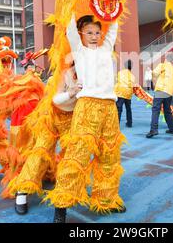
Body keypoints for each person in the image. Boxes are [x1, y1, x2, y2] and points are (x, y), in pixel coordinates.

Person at [44, 15, 126, 223]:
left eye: (97, 32)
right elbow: (70, 25)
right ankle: (61, 205)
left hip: (109, 108)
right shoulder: (79, 52)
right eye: (89, 32)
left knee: (110, 155)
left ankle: (106, 199)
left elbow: (114, 26)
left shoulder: (107, 49)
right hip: (87, 106)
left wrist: (116, 2)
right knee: (77, 154)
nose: (94, 36)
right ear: (81, 34)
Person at [9, 62, 80, 215]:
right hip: (50, 118)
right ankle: (22, 190)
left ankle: (65, 194)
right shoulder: (61, 75)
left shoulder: (93, 73)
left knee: (72, 156)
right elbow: (55, 99)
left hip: (73, 120)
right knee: (40, 152)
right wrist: (71, 93)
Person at [146, 53, 173, 138]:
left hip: (161, 90)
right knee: (167, 111)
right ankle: (172, 129)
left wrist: (155, 83)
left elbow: (154, 73)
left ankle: (154, 129)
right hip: (169, 92)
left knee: (156, 109)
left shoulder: (162, 65)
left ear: (166, 59)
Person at [115, 60, 136, 128]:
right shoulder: (132, 76)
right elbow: (133, 84)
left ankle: (116, 124)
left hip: (120, 92)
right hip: (128, 93)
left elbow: (116, 80)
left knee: (119, 108)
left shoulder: (120, 73)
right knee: (128, 108)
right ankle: (129, 123)